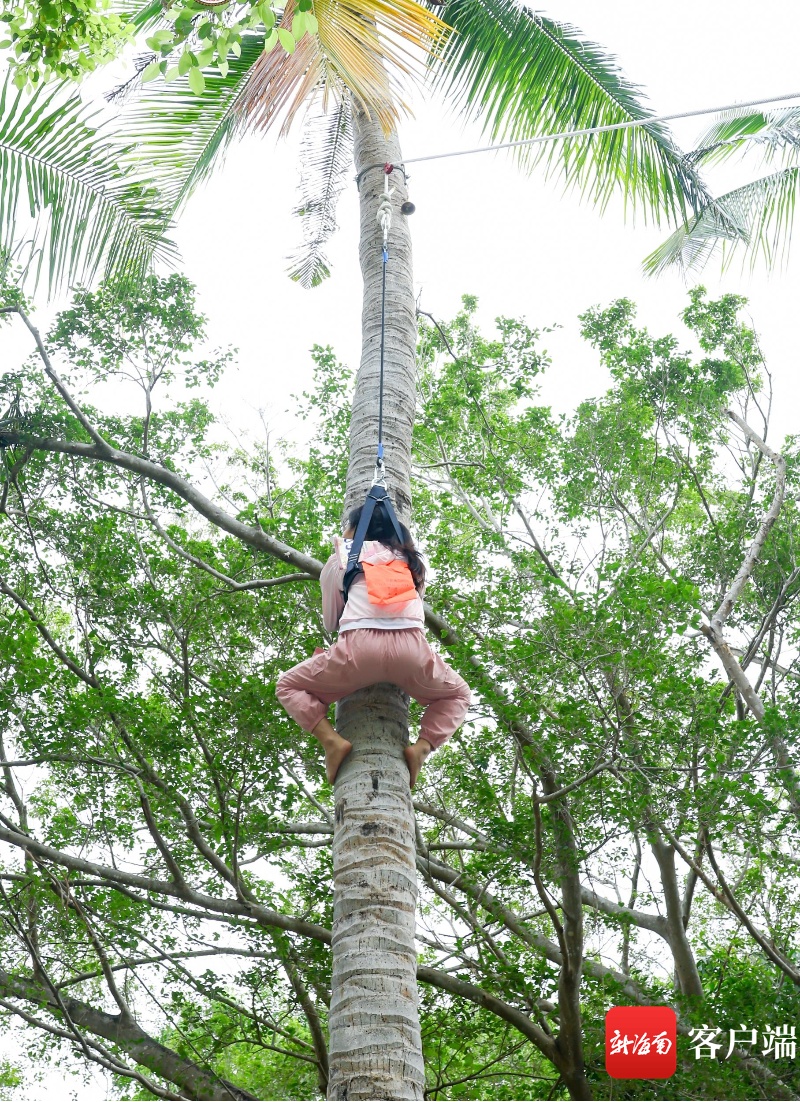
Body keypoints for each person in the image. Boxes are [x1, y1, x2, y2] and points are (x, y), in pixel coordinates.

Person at [276, 502, 471, 787]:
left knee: (287, 685)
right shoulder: (413, 563)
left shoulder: (343, 557)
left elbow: (332, 620)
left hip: (359, 650)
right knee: (459, 694)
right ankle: (422, 748)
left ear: (355, 531)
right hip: (411, 651)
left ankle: (331, 741)